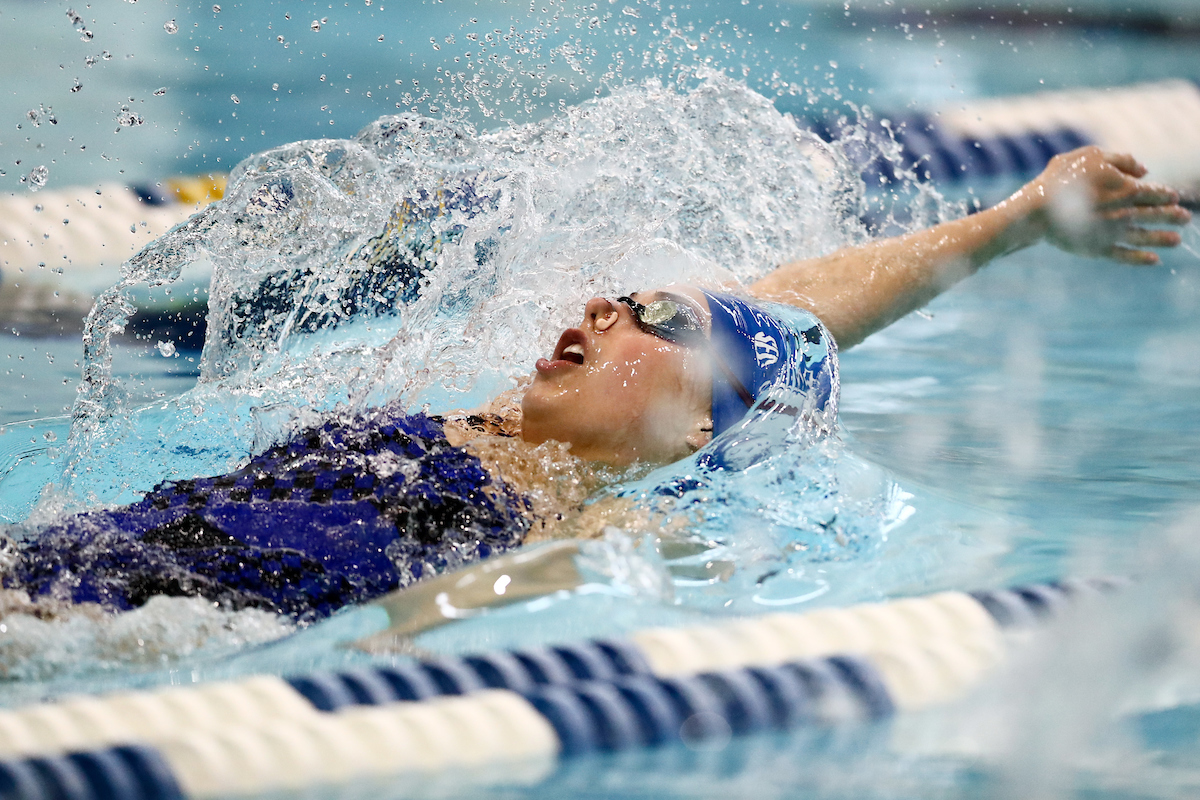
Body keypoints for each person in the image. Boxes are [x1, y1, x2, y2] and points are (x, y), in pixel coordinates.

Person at [2, 146, 1190, 623]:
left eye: (651, 318)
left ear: (694, 424)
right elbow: (787, 313)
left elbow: (408, 632)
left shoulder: (581, 518)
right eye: (614, 296)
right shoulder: (485, 430)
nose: (599, 308)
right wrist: (1013, 220)